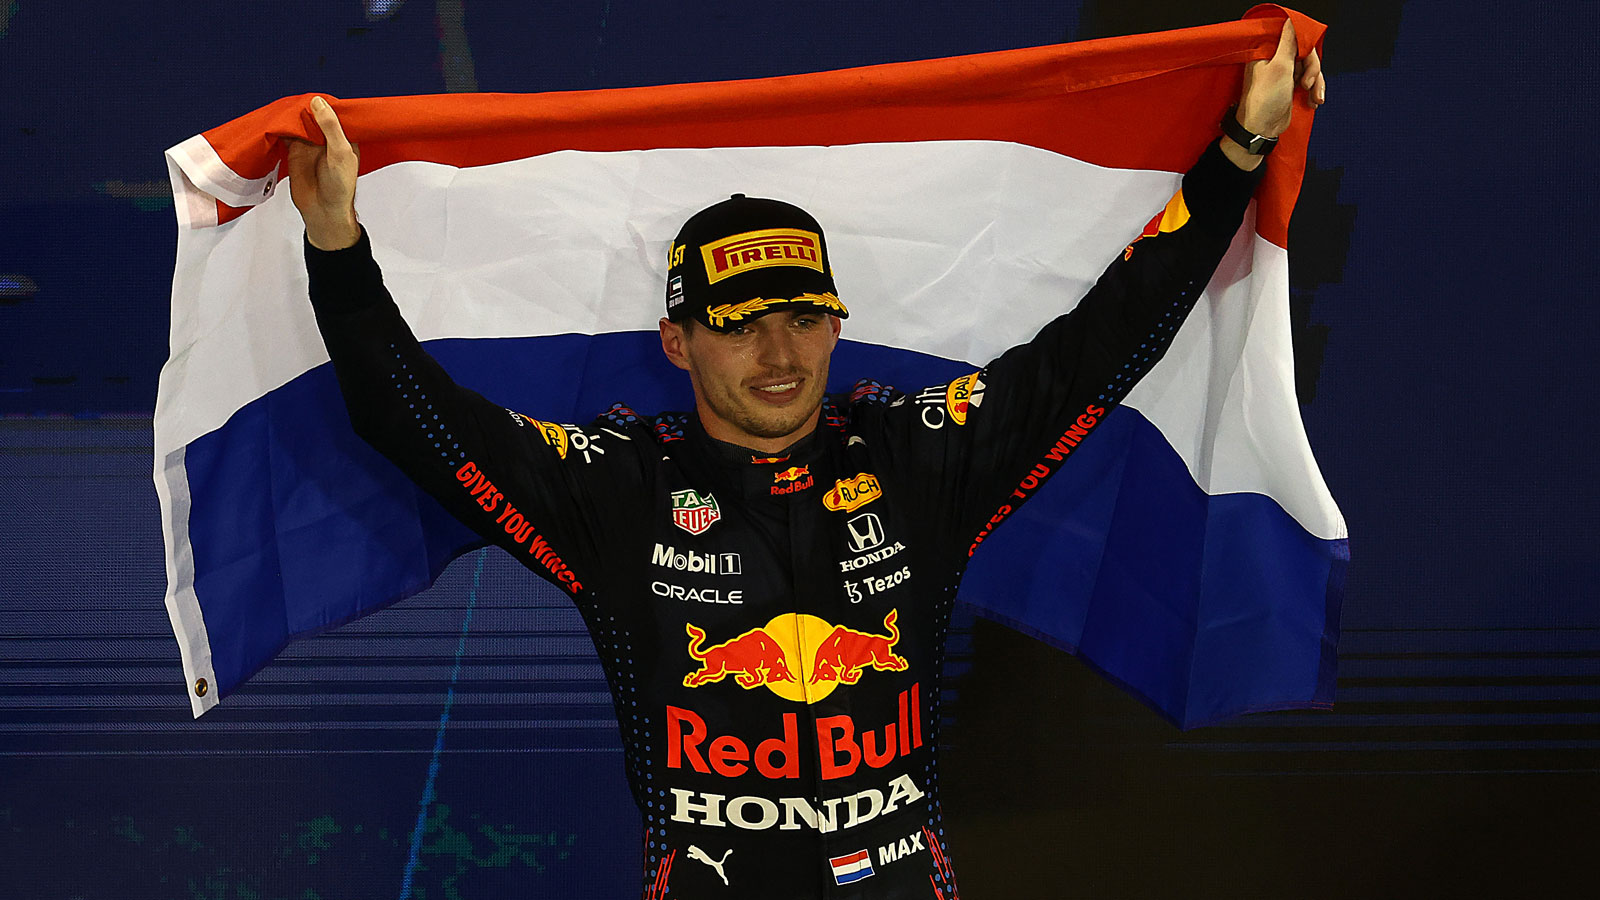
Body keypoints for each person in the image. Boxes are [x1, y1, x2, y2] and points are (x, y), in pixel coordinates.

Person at [289, 19, 1323, 899]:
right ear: (676, 342)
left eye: (800, 318)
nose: (778, 354)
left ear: (837, 327)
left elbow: (1103, 342)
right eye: (740, 327)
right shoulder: (615, 486)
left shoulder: (921, 457)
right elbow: (411, 419)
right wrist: (335, 241)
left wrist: (1239, 149)